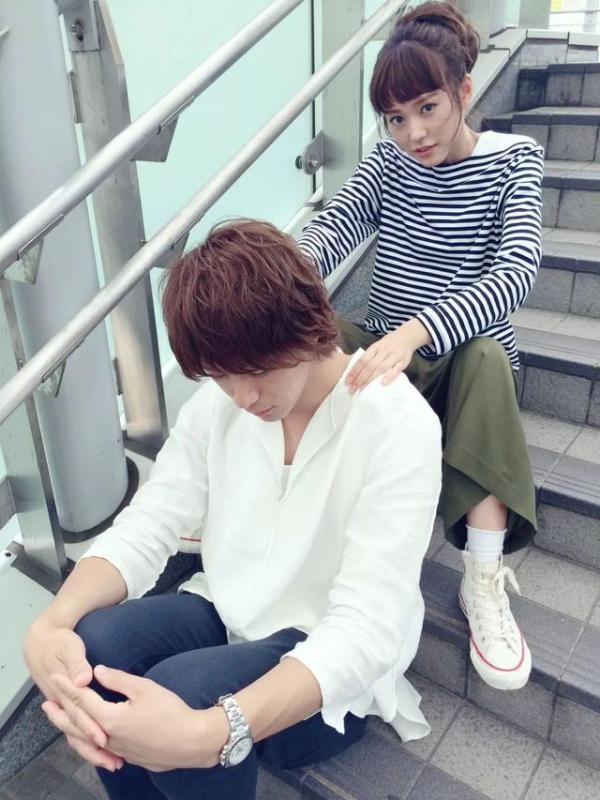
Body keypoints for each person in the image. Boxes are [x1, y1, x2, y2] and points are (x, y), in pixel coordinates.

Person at [23, 219, 442, 800]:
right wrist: (51, 623)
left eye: (258, 369)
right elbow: (151, 521)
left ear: (308, 326)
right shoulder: (217, 409)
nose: (243, 396)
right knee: (93, 649)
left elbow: (367, 627)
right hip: (227, 613)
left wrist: (212, 734)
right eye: (222, 376)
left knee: (185, 695)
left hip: (324, 666)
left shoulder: (397, 425)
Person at [297, 1, 543, 691]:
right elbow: (336, 226)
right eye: (396, 118)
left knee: (487, 354)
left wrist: (418, 332)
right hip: (388, 354)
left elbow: (516, 271)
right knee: (301, 334)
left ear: (464, 90)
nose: (414, 133)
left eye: (428, 108)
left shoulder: (515, 162)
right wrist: (279, 278)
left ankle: (483, 576)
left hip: (463, 368)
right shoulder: (390, 161)